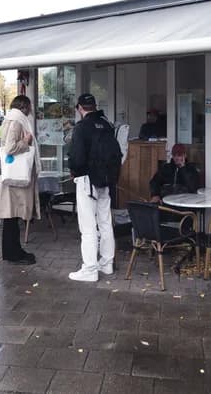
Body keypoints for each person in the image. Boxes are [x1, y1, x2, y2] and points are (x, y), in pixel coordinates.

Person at [68, 93, 117, 282]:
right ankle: (107, 264)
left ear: (80, 108)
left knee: (88, 227)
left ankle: (89, 269)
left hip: (87, 180)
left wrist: (74, 170)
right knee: (105, 223)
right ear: (95, 106)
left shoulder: (81, 128)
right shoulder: (107, 125)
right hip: (106, 181)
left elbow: (77, 157)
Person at [0, 95, 40, 265]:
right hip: (16, 179)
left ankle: (13, 251)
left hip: (14, 178)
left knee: (11, 216)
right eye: (30, 106)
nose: (31, 109)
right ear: (24, 107)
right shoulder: (16, 121)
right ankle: (13, 253)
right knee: (12, 216)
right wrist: (26, 141)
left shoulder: (12, 119)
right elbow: (10, 148)